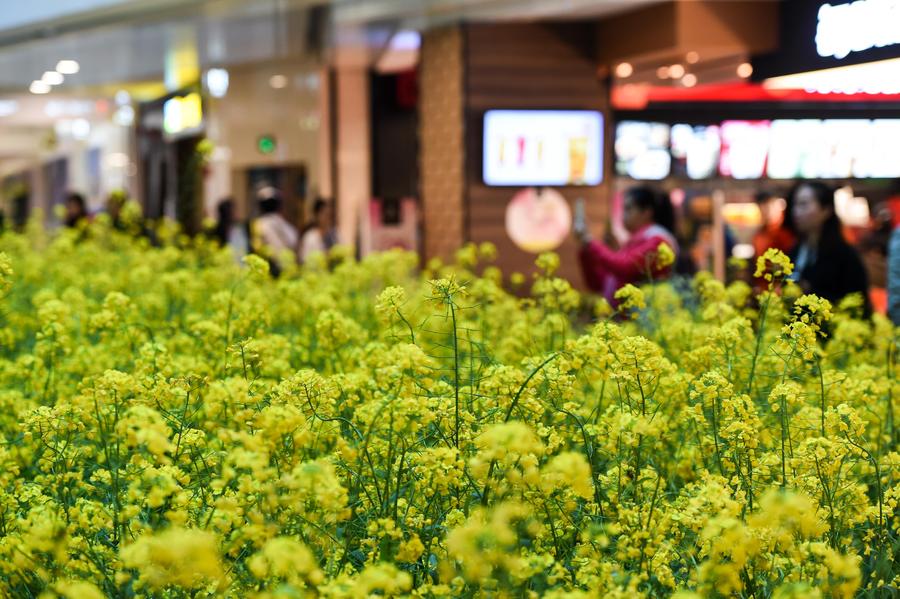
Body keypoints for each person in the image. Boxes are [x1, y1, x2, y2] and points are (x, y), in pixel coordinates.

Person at [575, 186, 679, 302]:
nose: (622, 215)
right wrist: (586, 248)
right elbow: (598, 284)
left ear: (646, 213)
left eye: (628, 209)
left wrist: (589, 241)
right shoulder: (633, 241)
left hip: (643, 317)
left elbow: (624, 267)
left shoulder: (659, 241)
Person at [785, 182, 869, 313]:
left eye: (803, 204)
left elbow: (859, 302)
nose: (796, 212)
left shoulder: (844, 255)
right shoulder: (795, 250)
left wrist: (810, 290)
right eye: (794, 204)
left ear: (826, 210)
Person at [250, 187, 298, 275]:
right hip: (287, 269)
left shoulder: (258, 224)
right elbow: (294, 241)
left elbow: (256, 247)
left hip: (268, 271)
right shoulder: (286, 225)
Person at [753, 191, 795, 256]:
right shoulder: (760, 234)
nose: (764, 211)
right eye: (761, 208)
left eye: (768, 207)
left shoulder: (788, 231)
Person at [300, 198, 339, 262]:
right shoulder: (310, 237)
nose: (327, 218)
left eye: (329, 215)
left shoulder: (334, 235)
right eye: (325, 214)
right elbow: (304, 259)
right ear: (317, 215)